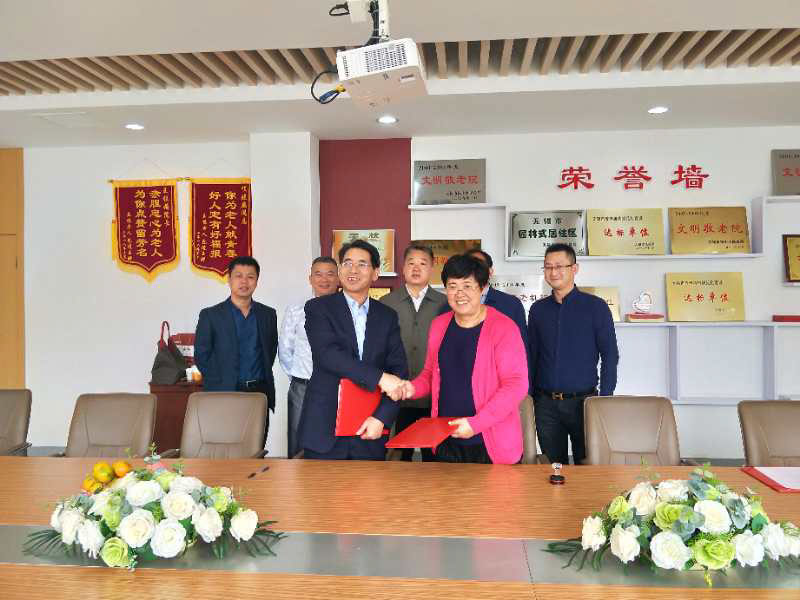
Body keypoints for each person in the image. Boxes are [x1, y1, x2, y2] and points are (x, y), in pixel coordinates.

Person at [399, 254, 528, 464]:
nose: (459, 294)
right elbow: (430, 374)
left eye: (467, 286)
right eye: (452, 286)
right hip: (445, 437)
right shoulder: (439, 325)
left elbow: (516, 385)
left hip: (489, 442)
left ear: (482, 288)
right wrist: (411, 389)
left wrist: (476, 424)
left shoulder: (504, 327)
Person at [299, 239, 408, 460]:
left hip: (370, 427)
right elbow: (328, 355)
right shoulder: (318, 308)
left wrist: (382, 418)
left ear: (375, 273)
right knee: (319, 484)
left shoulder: (387, 316)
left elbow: (399, 371)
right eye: (347, 263)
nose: (353, 270)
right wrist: (380, 378)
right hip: (324, 428)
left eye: (362, 264)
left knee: (368, 484)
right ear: (340, 271)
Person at [527, 242, 619, 465]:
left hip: (584, 403)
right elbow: (531, 356)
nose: (553, 272)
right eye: (548, 266)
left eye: (559, 266)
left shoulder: (596, 307)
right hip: (545, 404)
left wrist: (604, 399)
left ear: (574, 269)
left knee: (588, 464)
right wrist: (529, 397)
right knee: (553, 467)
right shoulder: (538, 310)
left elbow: (610, 355)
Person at [194, 256, 278, 447]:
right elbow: (202, 355)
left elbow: (270, 350)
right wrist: (220, 383)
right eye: (238, 276)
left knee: (255, 445)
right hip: (224, 392)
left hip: (258, 392)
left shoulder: (268, 314)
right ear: (229, 279)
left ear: (257, 281)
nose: (244, 281)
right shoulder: (211, 315)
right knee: (224, 444)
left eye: (250, 277)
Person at [380, 243, 447, 461]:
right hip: (396, 392)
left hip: (434, 395)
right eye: (411, 263)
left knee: (433, 456)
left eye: (423, 263)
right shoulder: (386, 303)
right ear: (403, 267)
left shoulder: (445, 303)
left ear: (431, 269)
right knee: (397, 456)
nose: (416, 268)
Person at [278, 256, 339, 458]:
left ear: (338, 278)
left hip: (337, 387)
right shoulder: (296, 310)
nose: (324, 279)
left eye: (330, 274)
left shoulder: (347, 311)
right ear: (310, 278)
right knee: (298, 440)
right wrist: (299, 377)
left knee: (334, 440)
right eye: (318, 274)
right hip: (303, 386)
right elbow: (285, 349)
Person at [464, 248, 528, 351]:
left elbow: (522, 348)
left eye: (479, 266)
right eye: (469, 266)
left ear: (490, 272)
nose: (474, 270)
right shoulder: (452, 304)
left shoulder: (511, 304)